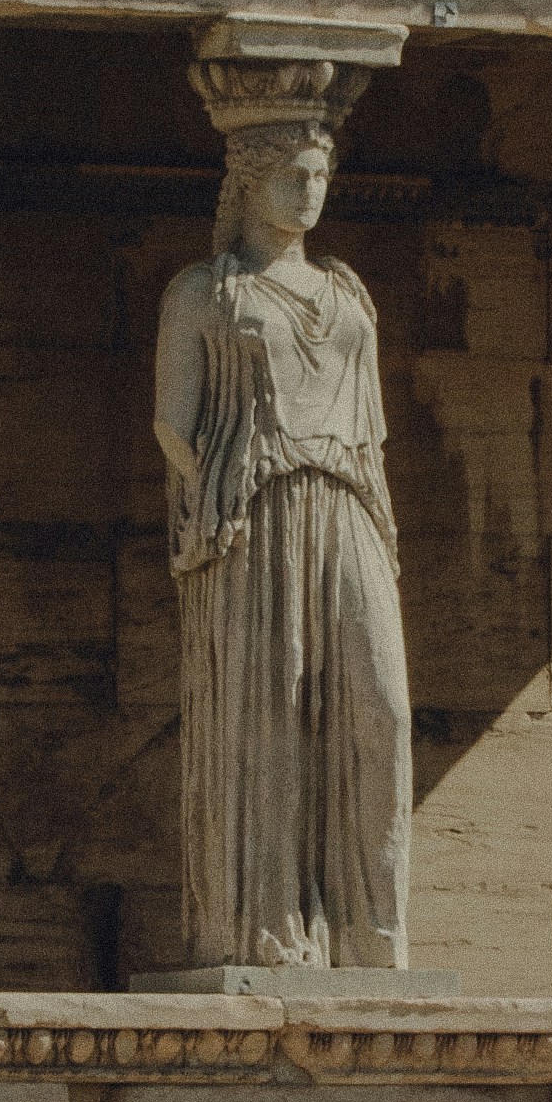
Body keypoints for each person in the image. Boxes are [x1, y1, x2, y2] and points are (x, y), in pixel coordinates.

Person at [155, 83, 412, 972]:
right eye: (297, 174)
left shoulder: (348, 295)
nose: (313, 190)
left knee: (378, 703)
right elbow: (173, 423)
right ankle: (268, 928)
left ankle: (369, 927)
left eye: (323, 173)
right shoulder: (204, 292)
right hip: (253, 515)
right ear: (253, 179)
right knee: (269, 716)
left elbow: (372, 427)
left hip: (347, 504)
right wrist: (222, 503)